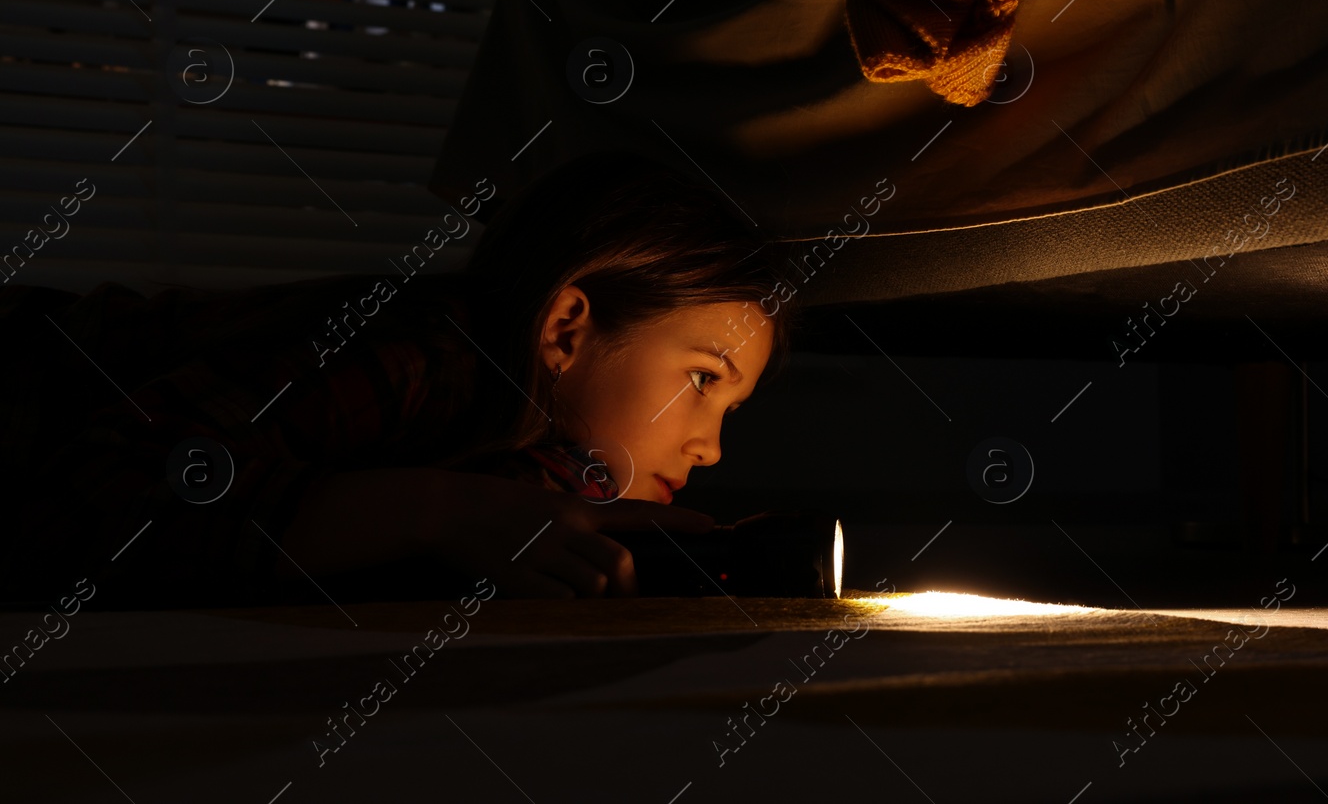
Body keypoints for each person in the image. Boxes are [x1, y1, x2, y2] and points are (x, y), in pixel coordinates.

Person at [0, 152, 798, 608]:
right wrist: (437, 510)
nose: (711, 446)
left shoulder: (538, 452)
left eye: (731, 405)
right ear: (565, 329)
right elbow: (95, 491)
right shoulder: (432, 354)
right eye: (702, 378)